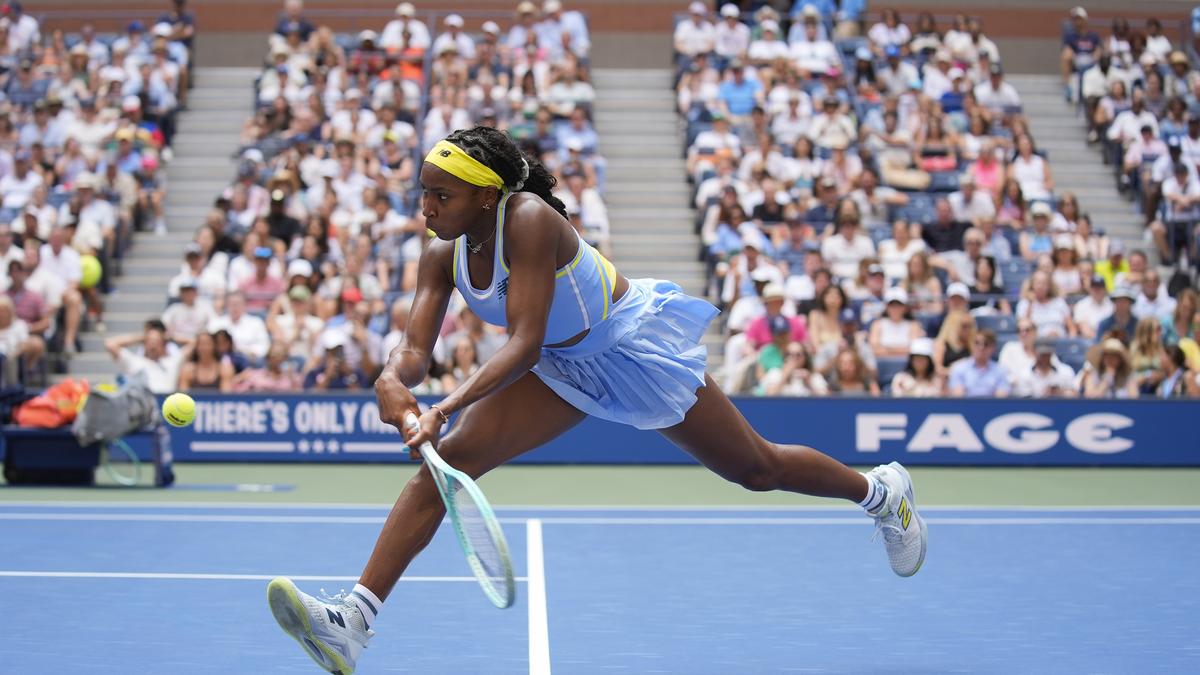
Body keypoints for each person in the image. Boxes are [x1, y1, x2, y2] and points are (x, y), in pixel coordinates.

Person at [266, 128, 929, 672]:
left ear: (486, 195)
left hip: (628, 347)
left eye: (442, 194)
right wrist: (391, 377)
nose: (427, 207)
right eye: (423, 193)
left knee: (757, 467)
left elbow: (523, 340)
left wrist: (440, 408)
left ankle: (880, 492)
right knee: (449, 466)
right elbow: (414, 349)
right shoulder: (441, 256)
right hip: (560, 366)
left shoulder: (530, 219)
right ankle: (351, 623)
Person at [948, 329, 1010, 397]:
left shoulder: (1001, 371)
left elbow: (1001, 399)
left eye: (986, 344)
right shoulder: (958, 368)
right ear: (970, 345)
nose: (981, 347)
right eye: (977, 343)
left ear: (993, 347)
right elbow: (958, 398)